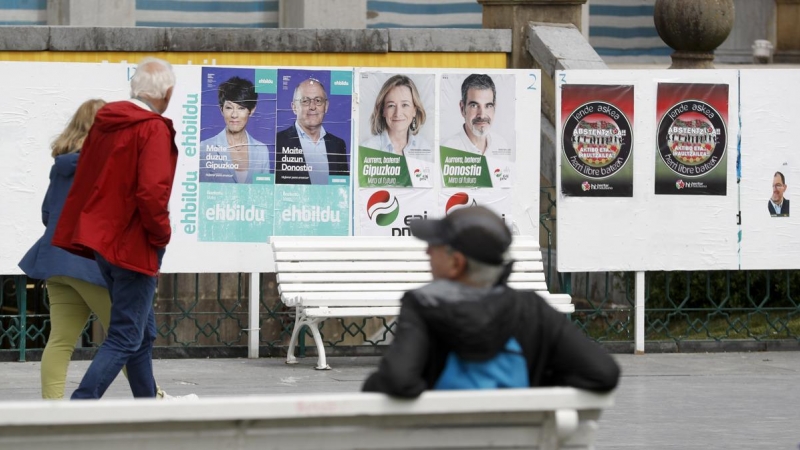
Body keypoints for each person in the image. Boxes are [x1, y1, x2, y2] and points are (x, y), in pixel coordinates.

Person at [18, 99, 191, 401]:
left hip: (55, 263)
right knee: (126, 337)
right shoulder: (104, 164)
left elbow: (48, 214)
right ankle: (155, 399)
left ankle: (53, 412)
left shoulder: (60, 166)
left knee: (60, 341)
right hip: (90, 265)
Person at [362, 206, 620, 398]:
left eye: (436, 245)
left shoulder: (423, 306)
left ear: (456, 263)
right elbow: (603, 372)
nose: (427, 251)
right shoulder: (532, 310)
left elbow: (397, 379)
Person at [52, 57, 179, 400]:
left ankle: (147, 405)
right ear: (167, 93)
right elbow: (152, 193)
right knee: (125, 335)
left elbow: (88, 182)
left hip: (104, 243)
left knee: (141, 333)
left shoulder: (105, 124)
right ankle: (82, 405)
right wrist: (161, 237)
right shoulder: (152, 127)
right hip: (134, 243)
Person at [275, 78, 348, 184]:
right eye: (305, 101)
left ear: (326, 106)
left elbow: (342, 188)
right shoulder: (278, 142)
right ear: (294, 107)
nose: (312, 107)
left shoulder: (338, 145)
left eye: (318, 101)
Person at [199, 76, 270, 184]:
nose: (234, 115)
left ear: (251, 110)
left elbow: (264, 193)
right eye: (229, 107)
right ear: (221, 110)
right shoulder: (204, 148)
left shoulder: (262, 151)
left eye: (241, 108)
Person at [362, 74, 432, 162]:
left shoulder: (424, 147)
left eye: (405, 105)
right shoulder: (368, 149)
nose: (398, 113)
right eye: (391, 105)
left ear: (414, 110)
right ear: (383, 110)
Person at [441, 74, 512, 159]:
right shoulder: (447, 150)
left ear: (494, 108)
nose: (482, 115)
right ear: (462, 109)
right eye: (474, 105)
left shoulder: (501, 145)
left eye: (488, 106)